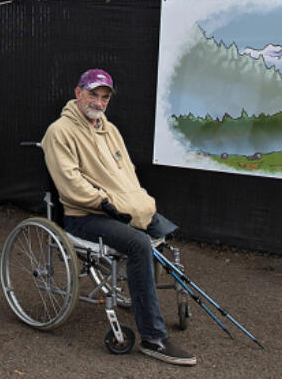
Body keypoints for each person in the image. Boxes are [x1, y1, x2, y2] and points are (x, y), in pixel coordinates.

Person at [41, 68, 197, 367]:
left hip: (120, 209)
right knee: (139, 244)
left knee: (161, 230)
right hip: (84, 215)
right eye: (93, 94)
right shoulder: (59, 132)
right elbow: (70, 185)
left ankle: (141, 295)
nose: (98, 103)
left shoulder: (109, 130)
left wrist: (140, 203)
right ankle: (154, 338)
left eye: (104, 97)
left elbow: (128, 174)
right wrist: (105, 203)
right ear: (78, 93)